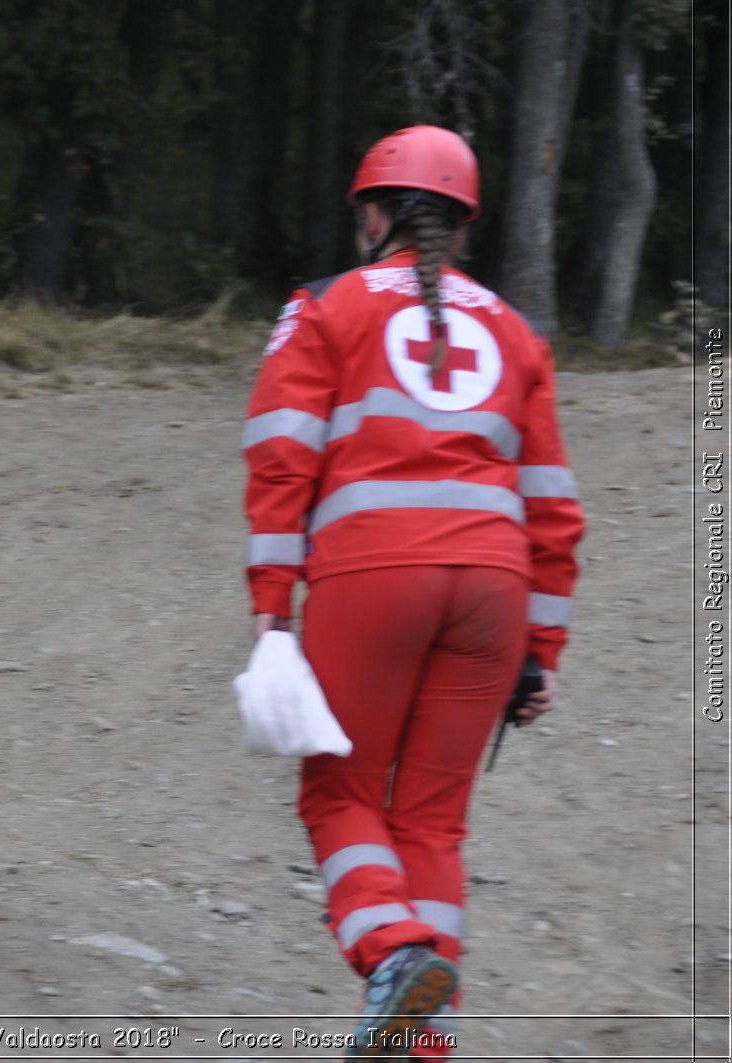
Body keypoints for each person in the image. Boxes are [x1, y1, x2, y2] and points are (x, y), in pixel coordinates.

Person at [241, 125, 584, 1059]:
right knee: (432, 821)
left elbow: (282, 461)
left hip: (375, 574)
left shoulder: (323, 307)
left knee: (337, 793)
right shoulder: (518, 333)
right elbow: (554, 509)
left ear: (373, 213)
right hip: (494, 589)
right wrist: (538, 654)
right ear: (464, 227)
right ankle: (423, 1047)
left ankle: (392, 952)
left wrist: (273, 612)